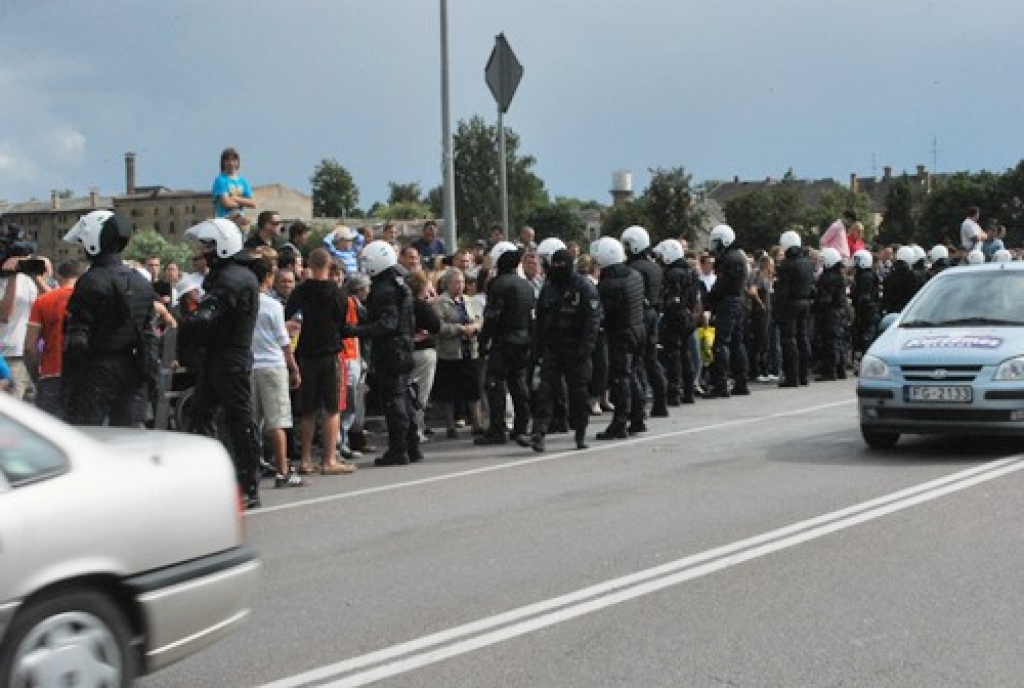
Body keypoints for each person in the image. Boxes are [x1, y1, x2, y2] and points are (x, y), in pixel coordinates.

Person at [179, 218, 263, 508]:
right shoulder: (231, 275)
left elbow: (206, 317)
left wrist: (188, 321)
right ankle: (218, 477)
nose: (204, 252)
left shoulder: (232, 279)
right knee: (201, 414)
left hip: (229, 357)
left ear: (222, 247)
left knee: (237, 419)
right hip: (220, 355)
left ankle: (247, 483)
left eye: (209, 246)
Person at [61, 210, 157, 426]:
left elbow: (76, 339)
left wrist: (68, 383)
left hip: (96, 369)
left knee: (84, 434)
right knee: (129, 436)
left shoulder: (90, 281)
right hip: (134, 368)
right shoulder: (141, 282)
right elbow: (149, 335)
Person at [284, 248, 358, 476]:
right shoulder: (338, 293)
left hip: (306, 353)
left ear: (309, 264)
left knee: (308, 410)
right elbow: (342, 324)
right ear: (329, 266)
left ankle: (306, 460)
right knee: (332, 408)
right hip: (330, 352)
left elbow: (289, 316)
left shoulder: (299, 292)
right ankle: (329, 459)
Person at [346, 240, 421, 465]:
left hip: (391, 349)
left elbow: (387, 323)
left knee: (394, 399)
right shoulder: (400, 282)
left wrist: (356, 330)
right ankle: (411, 446)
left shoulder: (385, 289)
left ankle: (399, 449)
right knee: (404, 397)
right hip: (404, 345)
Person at [525, 247, 601, 451]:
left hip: (577, 349)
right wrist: (537, 348)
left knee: (579, 393)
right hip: (553, 347)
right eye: (555, 264)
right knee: (546, 391)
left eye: (562, 265)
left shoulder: (583, 286)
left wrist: (586, 347)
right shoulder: (549, 287)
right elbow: (541, 319)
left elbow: (593, 320)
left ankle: (580, 433)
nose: (558, 268)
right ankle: (539, 433)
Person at [250, 257, 304, 488]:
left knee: (252, 421)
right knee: (277, 421)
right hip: (272, 364)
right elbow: (284, 342)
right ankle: (282, 471)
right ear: (268, 278)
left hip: (250, 365)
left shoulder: (245, 303)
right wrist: (294, 368)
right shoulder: (273, 305)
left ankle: (251, 468)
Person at [475, 241, 535, 445]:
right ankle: (521, 426)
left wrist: (483, 340)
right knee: (518, 383)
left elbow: (492, 316)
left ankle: (497, 428)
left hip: (504, 340)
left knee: (495, 383)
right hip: (523, 339)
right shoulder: (526, 285)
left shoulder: (498, 284)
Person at [593, 237, 644, 439]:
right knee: (633, 374)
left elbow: (604, 313)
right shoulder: (635, 275)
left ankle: (620, 423)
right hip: (638, 328)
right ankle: (638, 417)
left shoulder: (608, 284)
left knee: (620, 378)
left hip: (621, 334)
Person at [24, 259, 83, 418]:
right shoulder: (91, 299)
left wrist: (36, 375)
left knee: (49, 428)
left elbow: (29, 347)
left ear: (58, 276)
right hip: (84, 375)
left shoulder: (42, 301)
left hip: (51, 374)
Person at [622, 225, 668, 419]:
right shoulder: (655, 267)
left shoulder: (633, 269)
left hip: (639, 315)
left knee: (637, 361)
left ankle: (639, 405)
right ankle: (660, 401)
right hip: (653, 313)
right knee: (651, 358)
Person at [433, 267, 484, 438]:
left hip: (470, 350)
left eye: (462, 282)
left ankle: (477, 423)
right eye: (456, 282)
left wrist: (475, 327)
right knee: (449, 390)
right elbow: (438, 327)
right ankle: (450, 425)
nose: (460, 286)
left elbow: (480, 319)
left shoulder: (469, 301)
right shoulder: (440, 303)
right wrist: (459, 329)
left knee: (473, 388)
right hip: (450, 352)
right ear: (448, 284)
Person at [704, 224, 750, 398]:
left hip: (729, 302)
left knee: (721, 344)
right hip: (738, 301)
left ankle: (721, 385)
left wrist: (709, 301)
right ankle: (741, 382)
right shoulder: (738, 257)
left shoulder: (728, 259)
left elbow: (721, 284)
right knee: (737, 343)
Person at [654, 240, 701, 405]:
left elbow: (672, 299)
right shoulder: (690, 272)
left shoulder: (673, 274)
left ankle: (674, 393)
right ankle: (688, 391)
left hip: (674, 317)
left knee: (673, 355)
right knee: (685, 355)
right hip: (687, 316)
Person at [0, 247, 50, 400]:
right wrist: (12, 277)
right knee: (13, 406)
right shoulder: (3, 282)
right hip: (9, 355)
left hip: (32, 355)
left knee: (33, 407)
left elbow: (53, 302)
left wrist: (37, 276)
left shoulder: (30, 281)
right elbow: (5, 315)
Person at [775, 231, 815, 388]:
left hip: (791, 304)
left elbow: (782, 291)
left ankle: (792, 376)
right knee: (803, 337)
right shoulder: (808, 263)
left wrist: (778, 312)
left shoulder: (786, 265)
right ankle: (804, 375)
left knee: (789, 339)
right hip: (805, 302)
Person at [408, 270, 440, 440]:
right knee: (420, 393)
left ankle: (411, 427)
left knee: (407, 391)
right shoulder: (421, 306)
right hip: (423, 352)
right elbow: (435, 325)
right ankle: (416, 429)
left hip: (407, 351)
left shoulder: (403, 304)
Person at [814, 247, 848, 381]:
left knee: (830, 341)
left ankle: (830, 370)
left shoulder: (827, 277)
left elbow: (824, 297)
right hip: (839, 310)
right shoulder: (839, 276)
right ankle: (841, 369)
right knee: (839, 340)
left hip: (830, 312)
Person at [849, 248, 880, 364]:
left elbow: (862, 295)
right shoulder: (867, 275)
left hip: (866, 312)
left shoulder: (865, 276)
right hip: (866, 310)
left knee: (865, 335)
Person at [212, 147, 257, 218]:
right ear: (223, 163)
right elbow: (227, 203)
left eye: (233, 160)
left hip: (239, 218)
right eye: (227, 160)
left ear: (238, 162)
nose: (231, 163)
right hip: (225, 219)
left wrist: (235, 198)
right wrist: (244, 203)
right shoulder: (220, 180)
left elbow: (253, 203)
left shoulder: (242, 181)